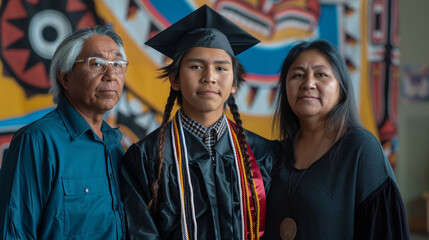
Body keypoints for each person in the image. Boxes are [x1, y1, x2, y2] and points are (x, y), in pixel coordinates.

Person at [120, 5, 279, 240]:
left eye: (221, 68)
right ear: (174, 79)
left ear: (234, 83)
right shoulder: (146, 158)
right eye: (196, 66)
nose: (209, 77)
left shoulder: (263, 154)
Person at [262, 40, 410, 240]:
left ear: (341, 90)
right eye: (298, 75)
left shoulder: (360, 149)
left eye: (321, 74)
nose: (308, 83)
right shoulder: (275, 155)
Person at [0, 26, 129, 239]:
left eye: (117, 64)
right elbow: (13, 232)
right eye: (97, 64)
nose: (111, 75)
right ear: (65, 77)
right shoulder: (38, 141)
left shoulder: (114, 144)